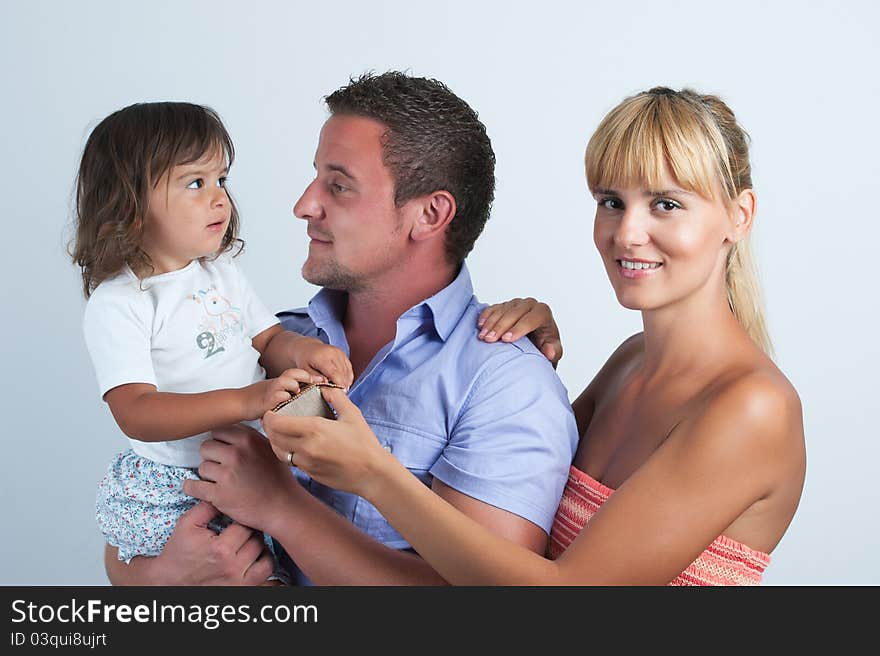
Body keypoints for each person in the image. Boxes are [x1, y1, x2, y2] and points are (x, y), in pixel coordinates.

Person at [268, 87, 807, 585]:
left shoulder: (752, 408)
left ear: (740, 215)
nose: (627, 232)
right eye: (611, 201)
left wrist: (373, 475)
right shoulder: (632, 361)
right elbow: (524, 482)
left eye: (665, 203)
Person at [104, 73, 579, 585]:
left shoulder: (508, 386)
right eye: (314, 178)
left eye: (339, 185)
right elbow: (135, 521)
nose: (304, 205)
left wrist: (282, 507)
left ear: (430, 213)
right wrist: (162, 577)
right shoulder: (263, 339)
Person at [71, 102, 353, 580]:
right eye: (195, 183)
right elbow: (135, 411)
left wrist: (306, 351)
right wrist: (247, 400)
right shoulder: (122, 302)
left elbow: (269, 340)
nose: (220, 199)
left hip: (247, 466)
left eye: (221, 180)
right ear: (130, 206)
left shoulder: (220, 272)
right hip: (176, 485)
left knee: (270, 567)